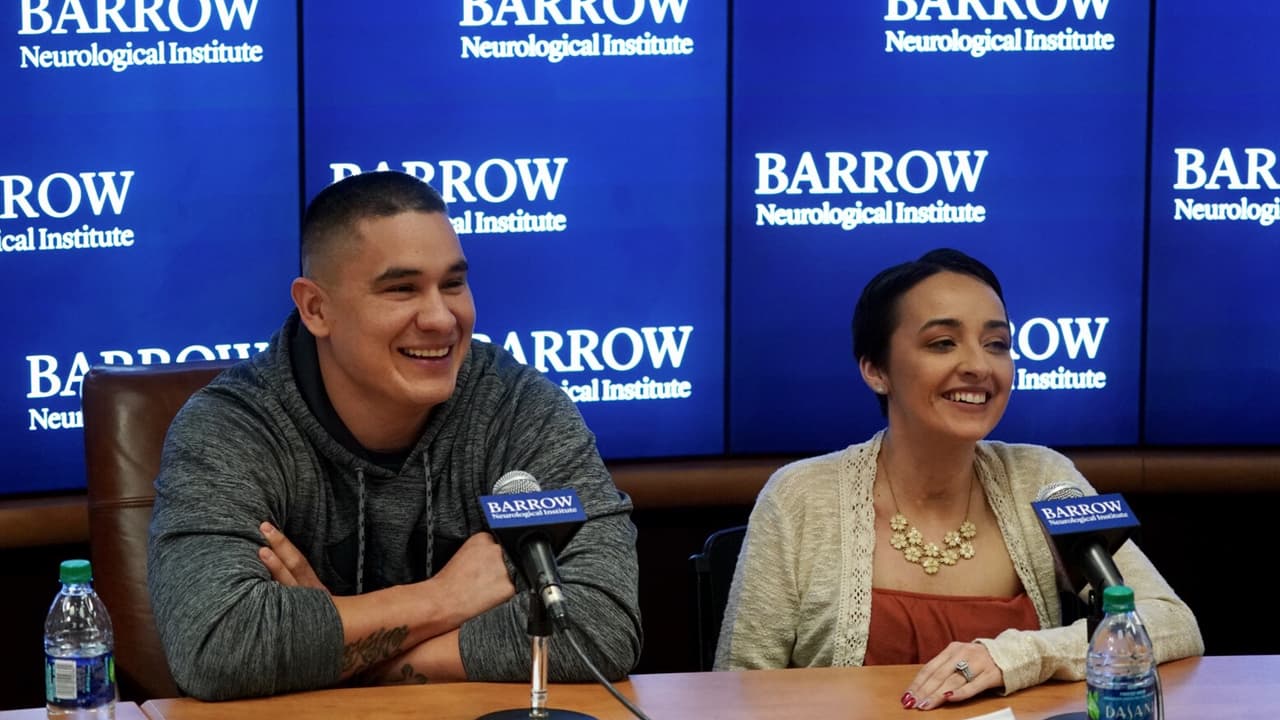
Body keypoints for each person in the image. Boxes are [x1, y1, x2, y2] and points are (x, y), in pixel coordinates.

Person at [147, 171, 642, 701]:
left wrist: (346, 653)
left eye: (452, 284)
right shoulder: (231, 429)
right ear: (316, 308)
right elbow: (218, 647)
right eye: (401, 289)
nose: (440, 318)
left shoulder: (518, 409)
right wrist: (443, 599)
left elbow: (599, 625)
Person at [714, 248, 1202, 710]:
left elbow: (1171, 622)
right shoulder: (801, 497)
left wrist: (1014, 655)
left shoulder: (1041, 478)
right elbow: (736, 689)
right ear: (874, 369)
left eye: (997, 344)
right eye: (942, 343)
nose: (977, 366)